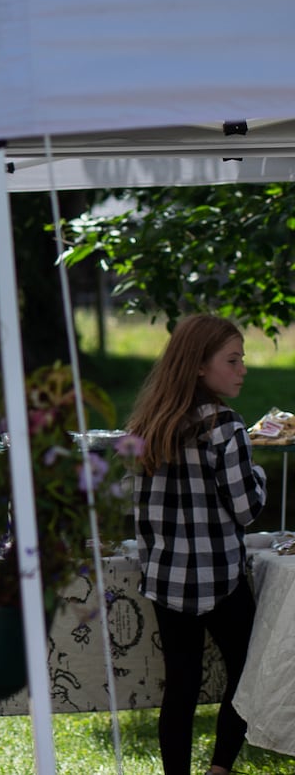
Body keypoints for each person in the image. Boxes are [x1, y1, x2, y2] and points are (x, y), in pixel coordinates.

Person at [127, 314, 266, 775]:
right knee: (248, 673)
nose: (242, 368)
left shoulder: (151, 424)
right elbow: (247, 509)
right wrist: (259, 476)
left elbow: (141, 509)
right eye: (232, 359)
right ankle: (220, 768)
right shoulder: (226, 427)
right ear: (200, 366)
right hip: (221, 579)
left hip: (167, 578)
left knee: (181, 687)